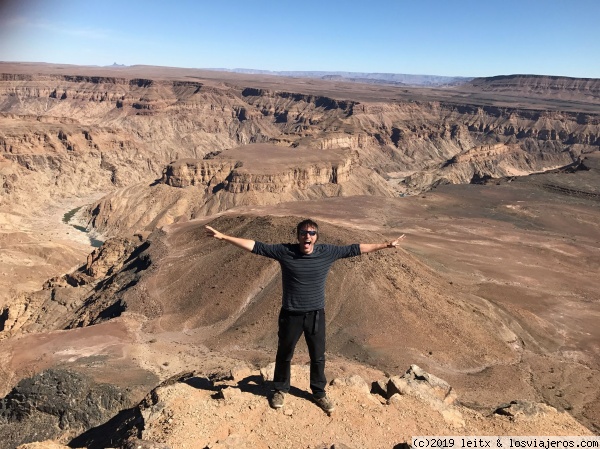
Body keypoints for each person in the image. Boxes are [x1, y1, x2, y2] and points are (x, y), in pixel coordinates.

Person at [205, 219, 405, 413]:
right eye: (303, 233)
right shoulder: (285, 251)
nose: (307, 236)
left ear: (316, 237)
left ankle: (318, 392)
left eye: (311, 233)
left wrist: (386, 245)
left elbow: (356, 248)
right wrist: (224, 237)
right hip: (290, 315)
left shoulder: (327, 252)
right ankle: (280, 390)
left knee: (317, 357)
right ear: (298, 236)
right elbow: (256, 246)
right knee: (284, 355)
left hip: (315, 315)